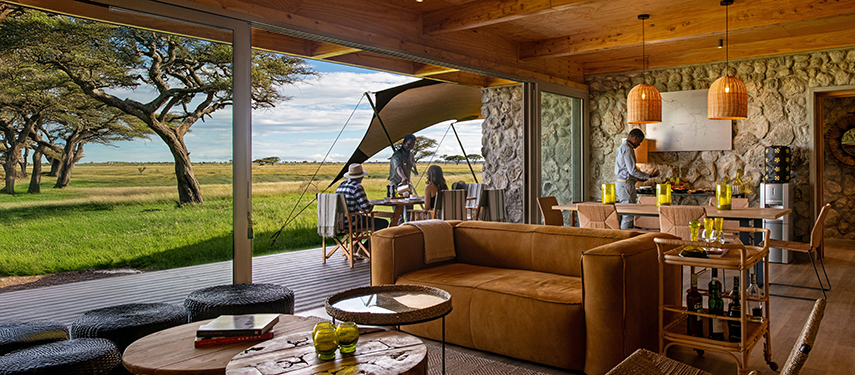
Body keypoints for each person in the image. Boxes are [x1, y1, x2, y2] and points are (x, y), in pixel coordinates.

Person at [336, 163, 389, 256]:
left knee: (362, 219)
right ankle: (365, 248)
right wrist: (370, 205)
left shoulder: (341, 186)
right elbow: (367, 209)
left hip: (339, 222)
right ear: (360, 177)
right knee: (382, 223)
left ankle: (354, 247)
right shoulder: (357, 187)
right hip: (352, 222)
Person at [615, 128, 659, 229]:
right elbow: (632, 170)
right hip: (626, 185)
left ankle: (627, 238)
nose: (639, 144)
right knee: (628, 215)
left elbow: (626, 170)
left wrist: (639, 178)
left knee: (628, 214)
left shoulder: (622, 147)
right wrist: (649, 175)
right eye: (639, 142)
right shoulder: (627, 149)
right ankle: (624, 240)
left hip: (624, 184)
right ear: (635, 138)